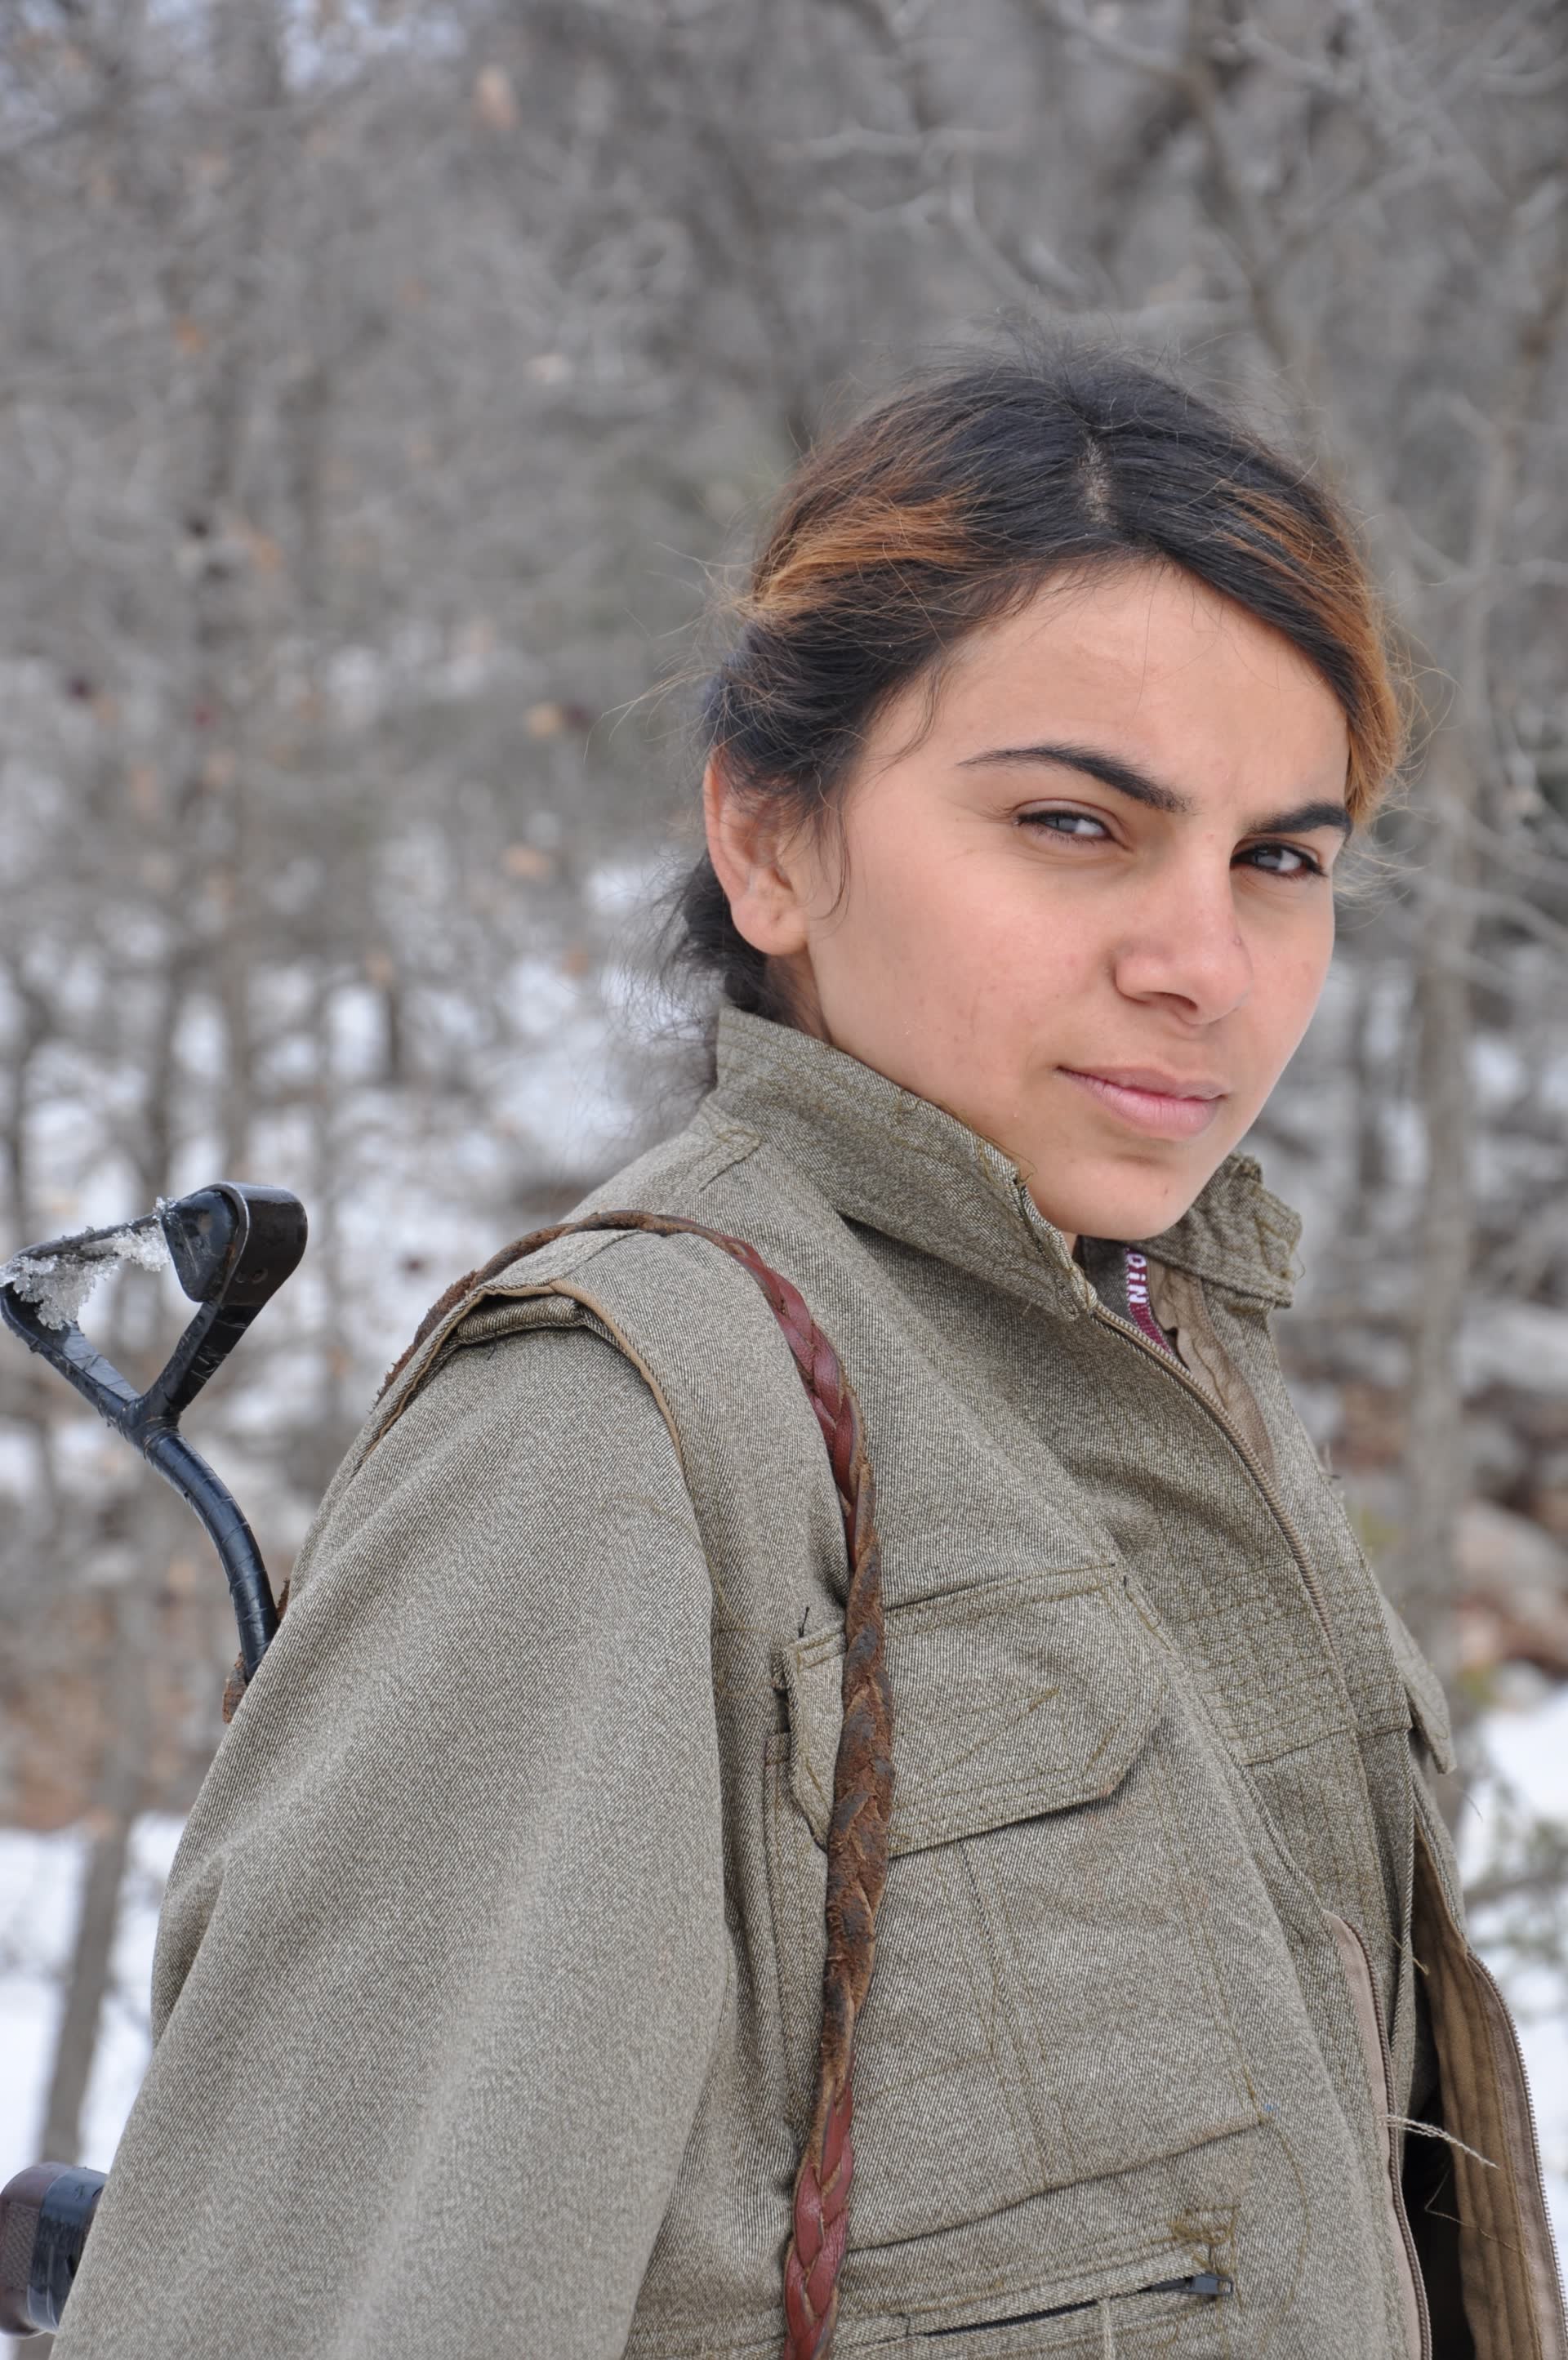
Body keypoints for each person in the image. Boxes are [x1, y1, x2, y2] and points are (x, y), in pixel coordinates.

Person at [52, 347, 1562, 2360]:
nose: (1204, 962)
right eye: (1074, 822)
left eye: (1279, 858)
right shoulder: (616, 1435)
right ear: (770, 841)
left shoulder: (1162, 1344)